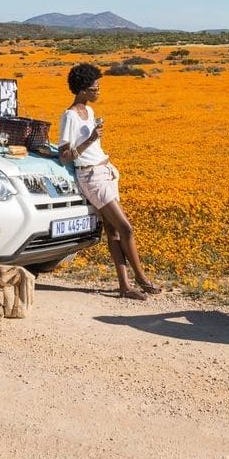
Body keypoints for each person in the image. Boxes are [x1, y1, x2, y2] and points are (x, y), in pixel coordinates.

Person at [58, 63, 161, 300]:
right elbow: (65, 157)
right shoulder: (69, 117)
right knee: (126, 228)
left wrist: (95, 138)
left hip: (106, 171)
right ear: (83, 89)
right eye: (95, 88)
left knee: (114, 231)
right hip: (91, 177)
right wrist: (90, 138)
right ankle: (142, 278)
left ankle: (124, 286)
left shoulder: (90, 113)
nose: (98, 91)